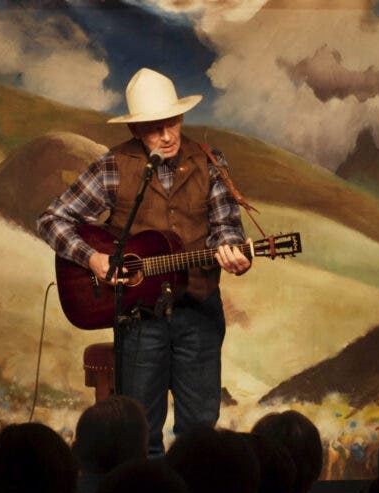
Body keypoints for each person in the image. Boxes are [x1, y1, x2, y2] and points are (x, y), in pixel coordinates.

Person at [37, 67, 252, 455]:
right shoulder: (112, 166)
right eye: (154, 128)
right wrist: (94, 258)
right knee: (139, 430)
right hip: (139, 318)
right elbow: (52, 220)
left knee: (200, 431)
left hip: (199, 311)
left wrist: (234, 251)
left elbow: (226, 227)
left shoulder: (211, 162)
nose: (167, 136)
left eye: (172, 122)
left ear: (181, 116)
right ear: (137, 131)